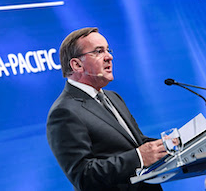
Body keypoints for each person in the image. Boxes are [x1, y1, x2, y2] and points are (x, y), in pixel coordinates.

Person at [46, 27, 167, 191]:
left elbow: (137, 143)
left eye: (108, 50)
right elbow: (83, 175)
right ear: (76, 65)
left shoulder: (113, 97)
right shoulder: (64, 112)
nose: (109, 57)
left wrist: (176, 144)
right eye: (98, 51)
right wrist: (138, 158)